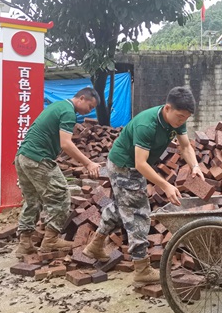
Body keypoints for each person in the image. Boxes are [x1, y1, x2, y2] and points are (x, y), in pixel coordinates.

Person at [83, 86, 203, 287]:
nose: (182, 121)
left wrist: (195, 166)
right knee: (138, 212)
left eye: (186, 118)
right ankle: (141, 268)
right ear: (167, 108)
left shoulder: (177, 119)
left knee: (122, 206)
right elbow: (140, 164)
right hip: (124, 165)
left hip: (133, 165)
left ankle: (95, 245)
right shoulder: (146, 125)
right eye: (180, 117)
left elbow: (184, 146)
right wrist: (165, 185)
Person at [15, 87, 101, 258]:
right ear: (82, 98)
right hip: (39, 159)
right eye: (90, 106)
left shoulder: (58, 106)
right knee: (61, 195)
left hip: (23, 157)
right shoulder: (68, 112)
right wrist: (88, 163)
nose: (89, 111)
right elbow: (66, 144)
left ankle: (25, 244)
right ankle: (51, 239)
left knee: (33, 200)